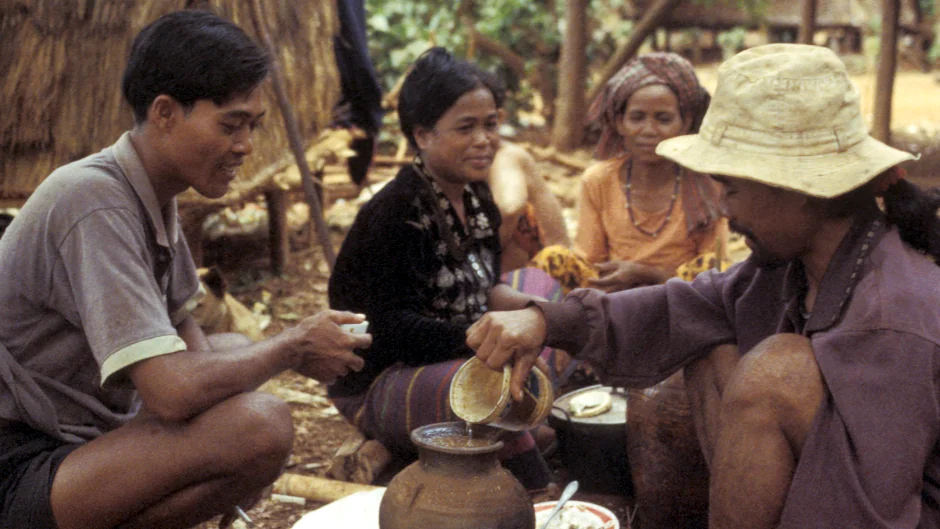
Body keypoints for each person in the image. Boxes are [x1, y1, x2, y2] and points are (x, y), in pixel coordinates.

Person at [467, 43, 940, 529]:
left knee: (777, 372)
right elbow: (686, 306)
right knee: (707, 339)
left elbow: (868, 512)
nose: (726, 210)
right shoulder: (790, 267)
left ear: (799, 189)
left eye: (731, 188)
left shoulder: (892, 318)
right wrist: (545, 319)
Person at [0, 10, 370, 529]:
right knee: (260, 426)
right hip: (16, 464)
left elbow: (193, 358)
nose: (245, 145)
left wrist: (277, 354)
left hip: (76, 444)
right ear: (166, 113)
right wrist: (291, 346)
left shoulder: (150, 197)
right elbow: (173, 394)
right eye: (230, 124)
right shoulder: (94, 201)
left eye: (252, 126)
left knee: (234, 356)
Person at [327, 47, 557, 493]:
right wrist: (487, 340)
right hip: (384, 379)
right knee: (493, 378)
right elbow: (390, 331)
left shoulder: (476, 199)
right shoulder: (394, 213)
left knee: (548, 294)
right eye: (465, 128)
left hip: (462, 356)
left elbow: (484, 288)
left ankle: (510, 421)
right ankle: (522, 468)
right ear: (423, 135)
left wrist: (538, 315)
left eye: (491, 124)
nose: (484, 139)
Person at [531, 52, 728, 294]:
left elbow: (714, 269)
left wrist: (650, 276)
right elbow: (591, 261)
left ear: (685, 123)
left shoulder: (706, 183)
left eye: (663, 119)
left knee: (713, 267)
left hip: (679, 298)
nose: (648, 130)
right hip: (612, 293)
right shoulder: (599, 180)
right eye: (637, 118)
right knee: (554, 259)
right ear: (619, 122)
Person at [488, 141, 570, 273]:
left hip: (547, 275)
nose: (481, 138)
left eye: (490, 125)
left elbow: (510, 209)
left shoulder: (507, 154)